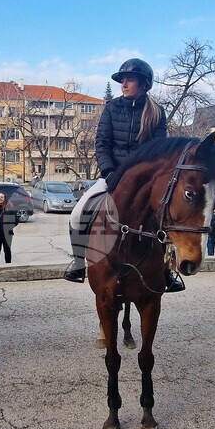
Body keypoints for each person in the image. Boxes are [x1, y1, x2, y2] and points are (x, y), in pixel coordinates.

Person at [64, 58, 183, 292]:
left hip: (144, 182)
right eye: (122, 80)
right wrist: (109, 172)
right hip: (112, 176)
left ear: (144, 83)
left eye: (129, 79)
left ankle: (166, 270)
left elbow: (159, 150)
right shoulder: (112, 107)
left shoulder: (157, 112)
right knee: (78, 214)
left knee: (167, 215)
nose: (124, 84)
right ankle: (78, 263)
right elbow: (102, 143)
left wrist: (150, 178)